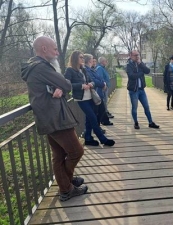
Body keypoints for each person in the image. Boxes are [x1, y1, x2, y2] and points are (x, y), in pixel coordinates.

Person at [21, 36, 88, 201]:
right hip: (55, 118)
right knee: (76, 151)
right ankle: (66, 187)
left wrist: (58, 87)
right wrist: (61, 86)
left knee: (59, 155)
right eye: (55, 49)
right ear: (44, 49)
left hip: (50, 117)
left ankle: (66, 185)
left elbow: (62, 87)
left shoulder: (37, 66)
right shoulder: (40, 67)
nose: (57, 52)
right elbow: (66, 84)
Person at [64, 50, 115, 147]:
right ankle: (103, 139)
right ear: (75, 58)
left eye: (83, 57)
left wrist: (91, 84)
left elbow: (92, 81)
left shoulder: (83, 69)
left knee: (89, 118)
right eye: (81, 57)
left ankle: (88, 138)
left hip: (90, 96)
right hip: (81, 99)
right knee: (93, 118)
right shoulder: (70, 70)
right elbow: (66, 84)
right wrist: (81, 86)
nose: (83, 59)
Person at [126, 50, 160, 129]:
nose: (137, 56)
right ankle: (136, 122)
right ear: (131, 56)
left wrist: (140, 64)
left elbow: (147, 71)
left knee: (146, 106)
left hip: (141, 90)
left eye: (138, 55)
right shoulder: (129, 65)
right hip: (133, 90)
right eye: (135, 55)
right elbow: (131, 76)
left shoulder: (140, 64)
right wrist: (141, 73)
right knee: (134, 108)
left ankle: (150, 122)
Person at [83, 54, 111, 130]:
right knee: (97, 111)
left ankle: (97, 128)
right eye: (92, 59)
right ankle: (96, 128)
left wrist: (103, 83)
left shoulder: (91, 69)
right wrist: (102, 84)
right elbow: (93, 80)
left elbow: (99, 78)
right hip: (94, 93)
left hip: (97, 93)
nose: (93, 61)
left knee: (100, 110)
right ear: (89, 61)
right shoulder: (86, 69)